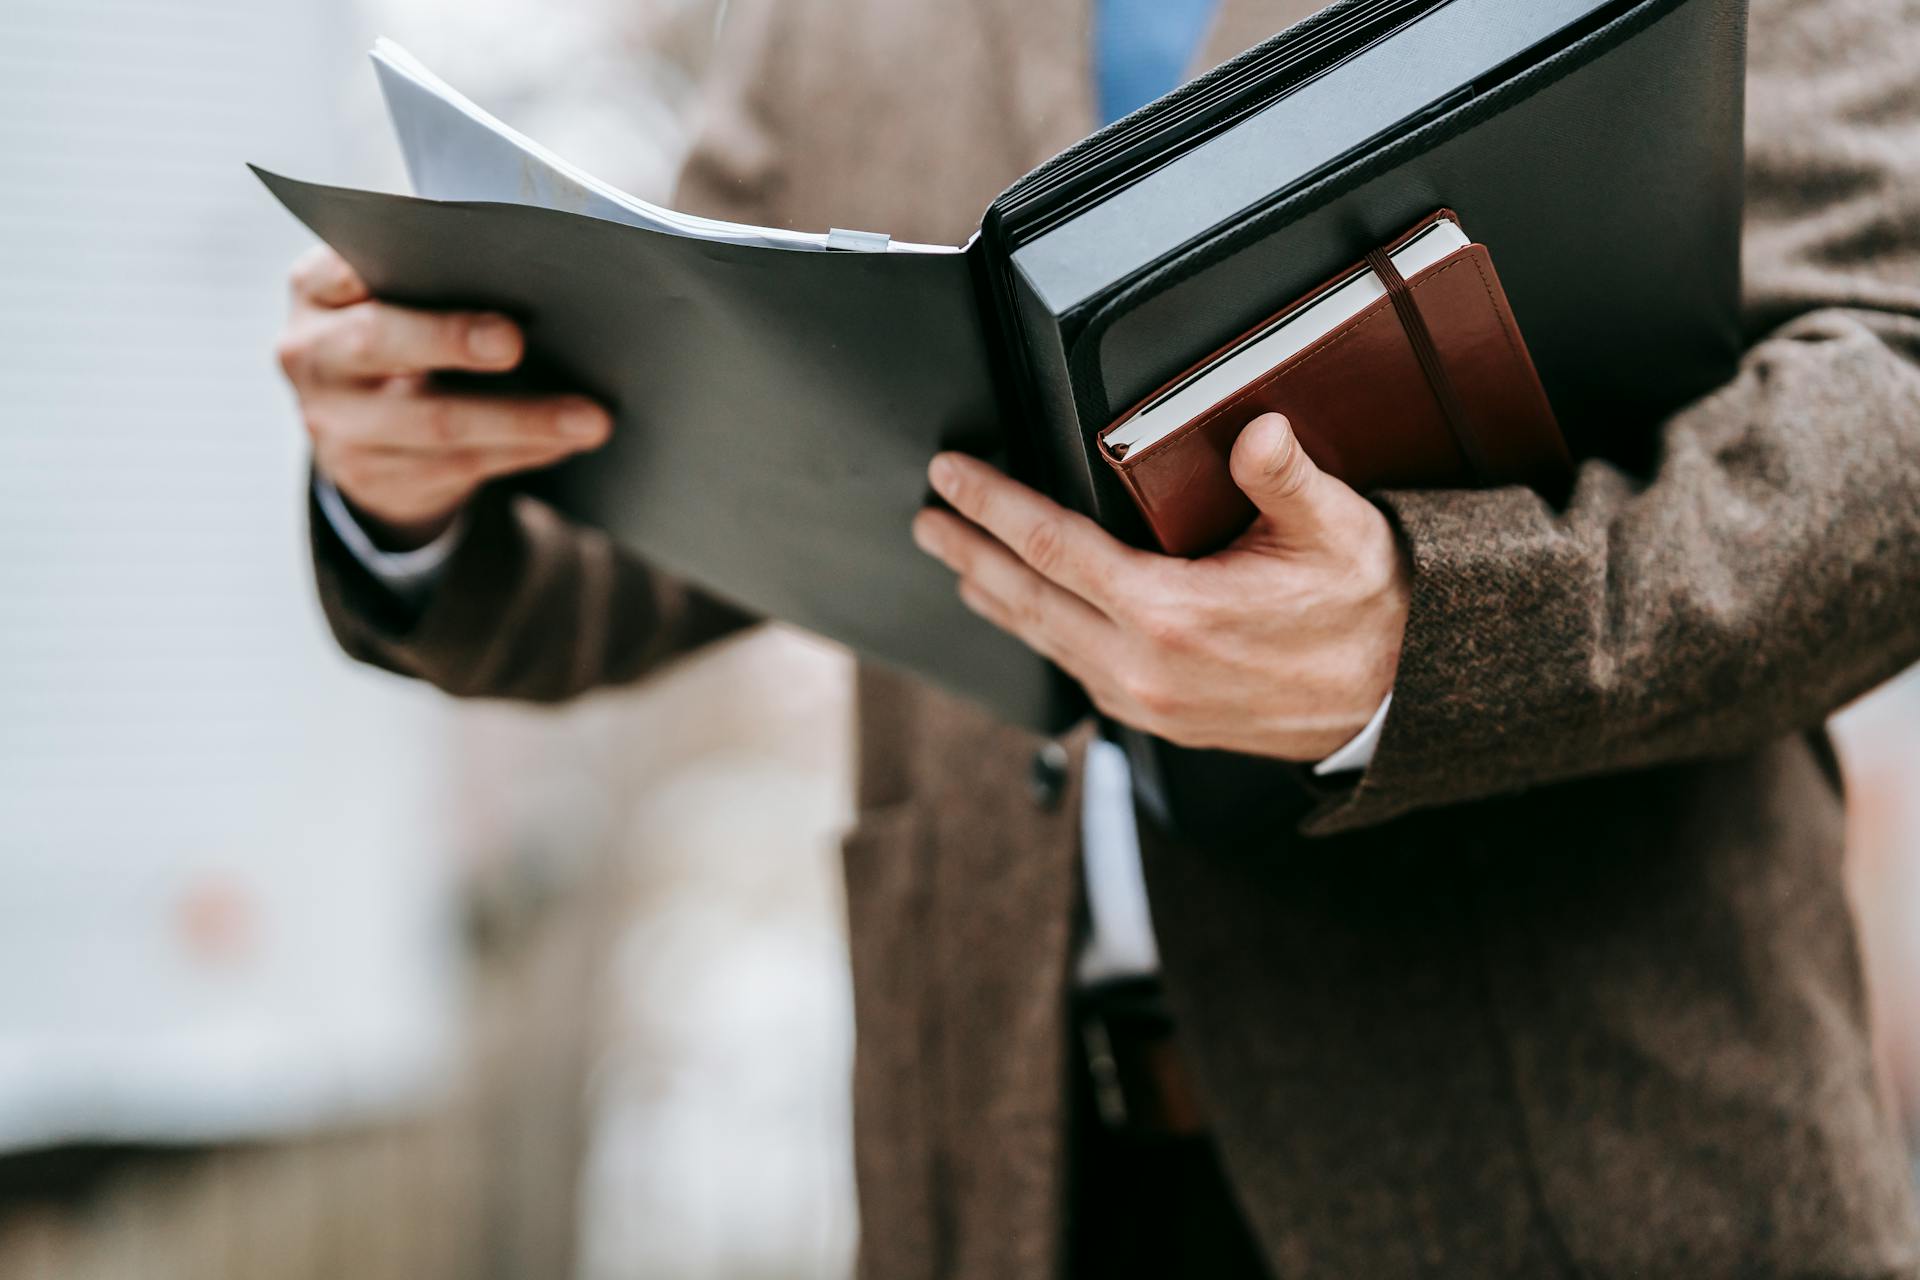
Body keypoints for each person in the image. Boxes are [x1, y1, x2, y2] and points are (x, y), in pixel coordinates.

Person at [273, 0, 1920, 1273]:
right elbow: (734, 433)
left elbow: (1889, 402)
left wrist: (1431, 632)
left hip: (1578, 1160)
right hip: (1006, 1176)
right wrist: (419, 478)